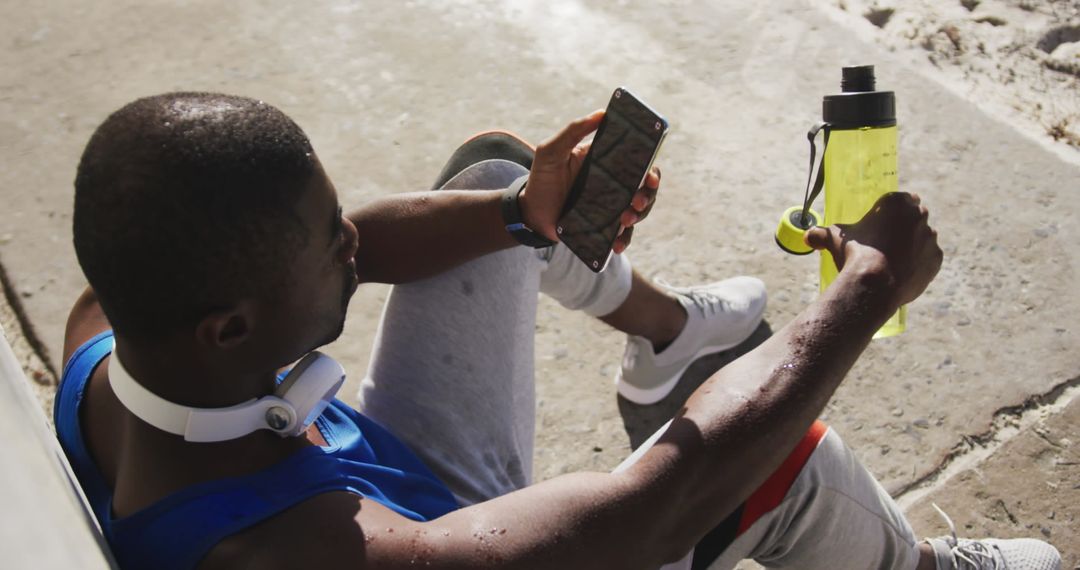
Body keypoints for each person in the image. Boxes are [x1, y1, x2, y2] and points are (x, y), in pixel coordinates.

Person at [54, 92, 1060, 570]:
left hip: (394, 482)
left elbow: (355, 247)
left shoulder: (116, 332)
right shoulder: (303, 557)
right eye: (332, 246)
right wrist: (866, 292)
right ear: (231, 328)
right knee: (780, 460)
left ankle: (666, 335)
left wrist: (514, 218)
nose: (356, 244)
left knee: (492, 175)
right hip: (455, 534)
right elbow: (647, 512)